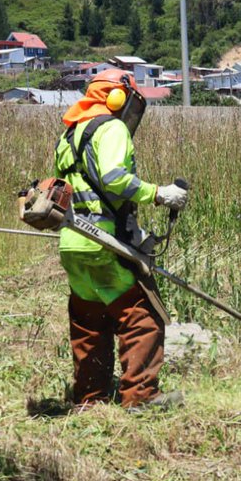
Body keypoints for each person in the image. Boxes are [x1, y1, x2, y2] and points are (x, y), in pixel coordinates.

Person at [55, 69, 188, 411]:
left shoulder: (70, 134)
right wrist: (159, 194)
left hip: (72, 243)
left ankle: (91, 397)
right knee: (141, 316)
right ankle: (141, 397)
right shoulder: (111, 128)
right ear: (116, 97)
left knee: (89, 321)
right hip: (103, 242)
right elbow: (115, 180)